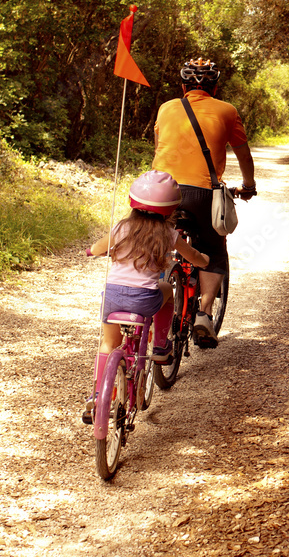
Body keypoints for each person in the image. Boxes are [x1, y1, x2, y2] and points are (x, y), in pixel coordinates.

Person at [83, 170, 208, 423]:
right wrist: (204, 260)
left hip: (114, 298)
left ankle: (97, 397)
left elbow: (96, 249)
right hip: (144, 301)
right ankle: (161, 346)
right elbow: (193, 257)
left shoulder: (121, 227)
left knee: (108, 344)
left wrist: (92, 251)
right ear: (171, 208)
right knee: (168, 292)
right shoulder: (168, 234)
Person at [151, 58, 256, 348]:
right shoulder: (227, 111)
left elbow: (159, 147)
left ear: (183, 87)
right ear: (215, 87)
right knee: (213, 250)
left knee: (155, 241)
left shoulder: (167, 107)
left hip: (161, 190)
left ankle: (148, 297)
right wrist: (248, 186)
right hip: (201, 193)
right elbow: (243, 155)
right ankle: (204, 314)